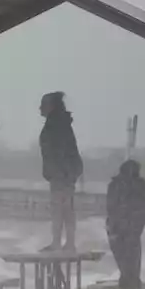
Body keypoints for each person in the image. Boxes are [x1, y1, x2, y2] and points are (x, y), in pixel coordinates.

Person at [105, 159, 145, 289]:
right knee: (129, 276)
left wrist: (114, 231)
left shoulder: (115, 185)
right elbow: (142, 211)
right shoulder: (140, 186)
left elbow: (112, 210)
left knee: (128, 276)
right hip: (130, 236)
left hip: (118, 236)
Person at [38, 91, 83, 252]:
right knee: (66, 210)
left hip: (61, 176)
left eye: (43, 105)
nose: (39, 108)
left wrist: (57, 173)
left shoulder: (55, 126)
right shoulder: (61, 123)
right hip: (65, 175)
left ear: (51, 106)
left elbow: (58, 153)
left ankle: (60, 243)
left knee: (60, 210)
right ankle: (67, 243)